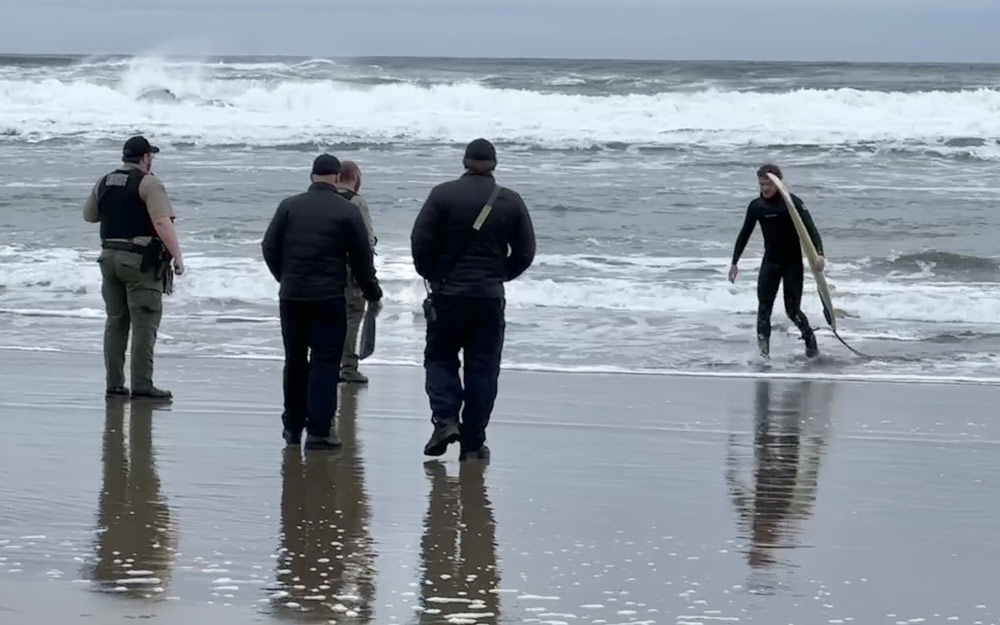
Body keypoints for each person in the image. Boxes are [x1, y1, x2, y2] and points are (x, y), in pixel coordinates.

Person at [411, 138, 536, 462]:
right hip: (488, 299)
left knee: (440, 359)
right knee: (483, 369)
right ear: (493, 164)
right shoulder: (510, 201)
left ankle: (445, 420)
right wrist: (499, 276)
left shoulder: (442, 194)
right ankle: (472, 444)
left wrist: (433, 274)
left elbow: (420, 241)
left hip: (448, 295)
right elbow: (525, 252)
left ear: (465, 162)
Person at [262, 154, 383, 451]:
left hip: (292, 296)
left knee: (294, 361)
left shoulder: (288, 206)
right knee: (325, 363)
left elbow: (269, 246)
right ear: (335, 177)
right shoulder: (346, 211)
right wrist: (373, 292)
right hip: (329, 297)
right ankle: (319, 431)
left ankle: (291, 428)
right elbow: (361, 259)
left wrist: (285, 277)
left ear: (312, 176)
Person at [83, 135, 185, 401]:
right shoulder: (149, 183)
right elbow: (163, 223)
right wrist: (178, 257)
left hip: (108, 258)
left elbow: (89, 215)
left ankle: (114, 385)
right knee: (144, 323)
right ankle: (142, 385)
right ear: (146, 158)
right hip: (139, 262)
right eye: (151, 156)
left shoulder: (104, 181)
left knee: (116, 322)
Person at [729, 164, 824, 359]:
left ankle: (810, 340)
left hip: (792, 263)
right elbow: (744, 233)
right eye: (762, 184)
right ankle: (764, 356)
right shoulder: (757, 206)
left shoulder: (792, 203)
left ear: (778, 183)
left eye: (769, 184)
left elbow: (811, 230)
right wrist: (734, 262)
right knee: (764, 309)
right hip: (770, 262)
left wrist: (819, 255)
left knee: (792, 311)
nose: (765, 188)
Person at [333, 160, 376, 385]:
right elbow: (367, 241)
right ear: (355, 177)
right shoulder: (356, 202)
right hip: (351, 272)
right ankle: (348, 368)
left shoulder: (325, 201)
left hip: (325, 271)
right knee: (351, 318)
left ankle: (325, 365)